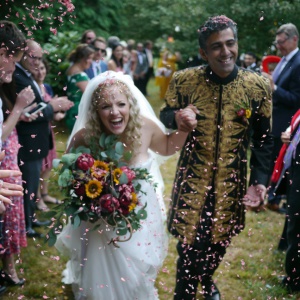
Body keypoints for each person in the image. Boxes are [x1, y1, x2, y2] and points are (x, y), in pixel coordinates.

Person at [160, 15, 273, 300]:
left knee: (219, 242)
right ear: (203, 52)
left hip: (231, 182)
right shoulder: (184, 80)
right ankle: (184, 295)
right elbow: (164, 113)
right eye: (216, 47)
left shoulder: (256, 86)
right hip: (193, 180)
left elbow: (263, 140)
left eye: (230, 43)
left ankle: (207, 281)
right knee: (189, 245)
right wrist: (176, 117)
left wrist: (258, 180)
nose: (225, 52)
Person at [55, 70, 194, 299]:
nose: (115, 112)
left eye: (121, 104)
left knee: (136, 269)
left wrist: (184, 130)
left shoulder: (146, 127)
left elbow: (168, 147)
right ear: (95, 111)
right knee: (101, 270)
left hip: (140, 213)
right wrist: (87, 191)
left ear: (131, 105)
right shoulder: (85, 137)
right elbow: (67, 175)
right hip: (100, 219)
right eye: (105, 107)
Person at [14, 40, 73, 238]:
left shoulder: (27, 76)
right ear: (23, 53)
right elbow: (25, 114)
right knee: (27, 184)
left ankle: (31, 219)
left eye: (40, 58)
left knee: (32, 184)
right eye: (33, 57)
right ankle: (26, 225)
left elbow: (36, 107)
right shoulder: (18, 76)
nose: (37, 61)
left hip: (37, 140)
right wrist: (53, 106)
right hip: (27, 141)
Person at [263, 23, 300, 215]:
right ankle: (271, 197)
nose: (278, 46)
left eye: (281, 42)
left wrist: (274, 89)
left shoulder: (298, 62)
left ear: (294, 39)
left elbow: (296, 99)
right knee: (271, 161)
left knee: (281, 162)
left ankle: (276, 198)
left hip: (287, 124)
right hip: (275, 120)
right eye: (276, 43)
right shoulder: (284, 60)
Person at [270, 109, 300, 293]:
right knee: (294, 225)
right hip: (295, 170)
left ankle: (294, 281)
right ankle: (294, 276)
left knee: (296, 227)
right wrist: (290, 134)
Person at [33, 59, 65, 211]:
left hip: (48, 131)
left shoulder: (47, 87)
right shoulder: (30, 88)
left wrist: (56, 115)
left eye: (42, 68)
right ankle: (38, 198)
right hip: (36, 132)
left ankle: (45, 193)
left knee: (48, 165)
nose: (40, 72)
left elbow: (49, 110)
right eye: (37, 69)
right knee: (39, 166)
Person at [65, 44, 94, 131]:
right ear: (83, 58)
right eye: (90, 58)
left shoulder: (70, 70)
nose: (91, 61)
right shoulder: (80, 75)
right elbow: (90, 95)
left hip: (70, 110)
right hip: (78, 112)